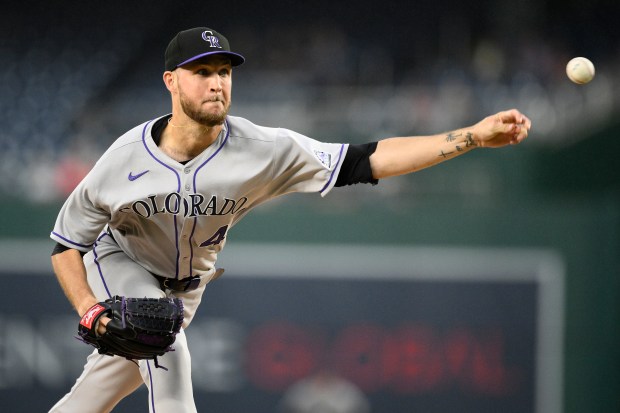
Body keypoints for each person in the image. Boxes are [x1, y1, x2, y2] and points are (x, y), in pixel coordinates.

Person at [49, 26, 530, 413]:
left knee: (98, 392)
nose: (217, 82)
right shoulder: (124, 159)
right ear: (171, 81)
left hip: (187, 285)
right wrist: (90, 309)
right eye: (201, 72)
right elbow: (66, 243)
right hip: (120, 257)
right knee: (168, 353)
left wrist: (471, 135)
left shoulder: (262, 149)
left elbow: (366, 160)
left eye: (223, 71)